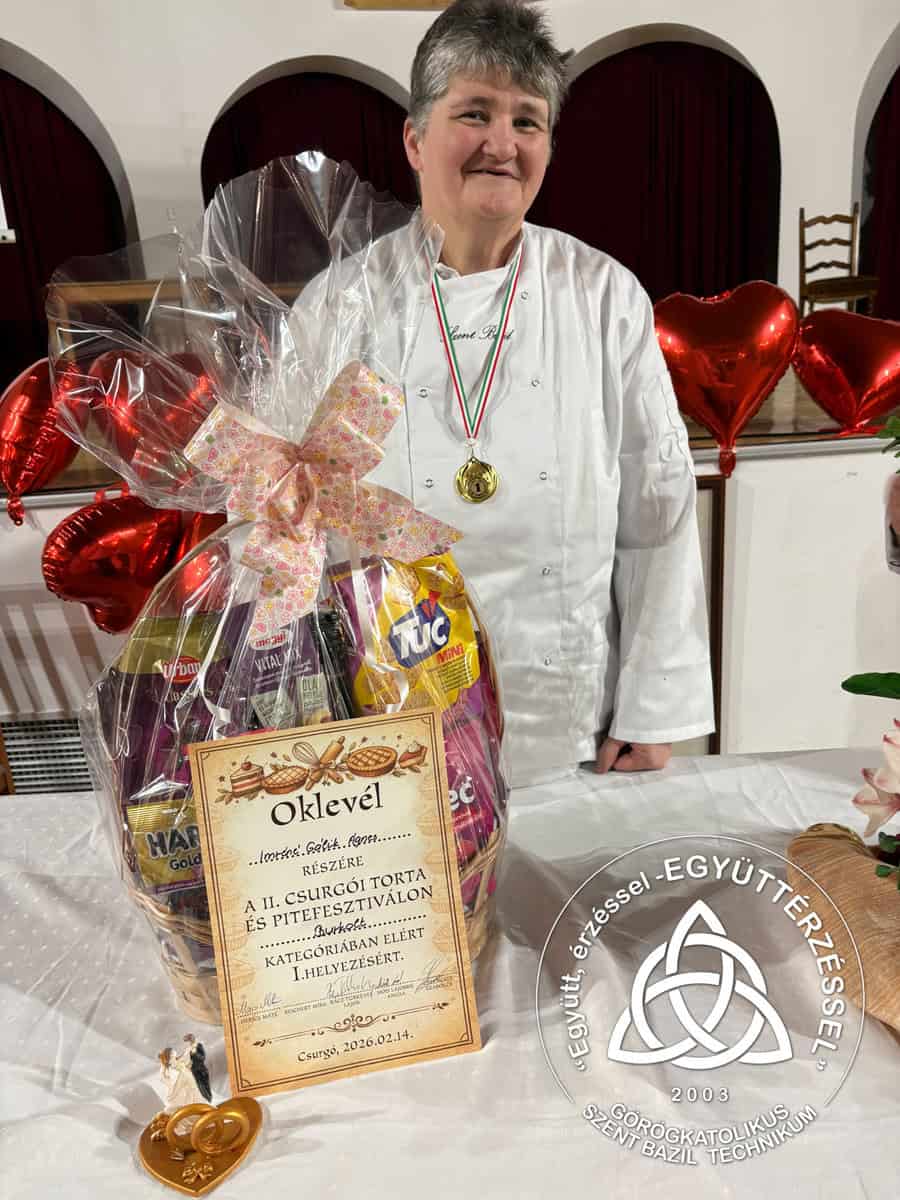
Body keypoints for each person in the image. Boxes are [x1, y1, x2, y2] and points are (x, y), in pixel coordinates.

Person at [295, 0, 714, 787]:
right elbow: (296, 524)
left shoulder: (602, 295)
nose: (502, 143)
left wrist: (653, 710)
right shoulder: (341, 305)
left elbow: (658, 512)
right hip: (391, 721)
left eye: (528, 121)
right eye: (475, 113)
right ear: (415, 139)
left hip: (570, 722)